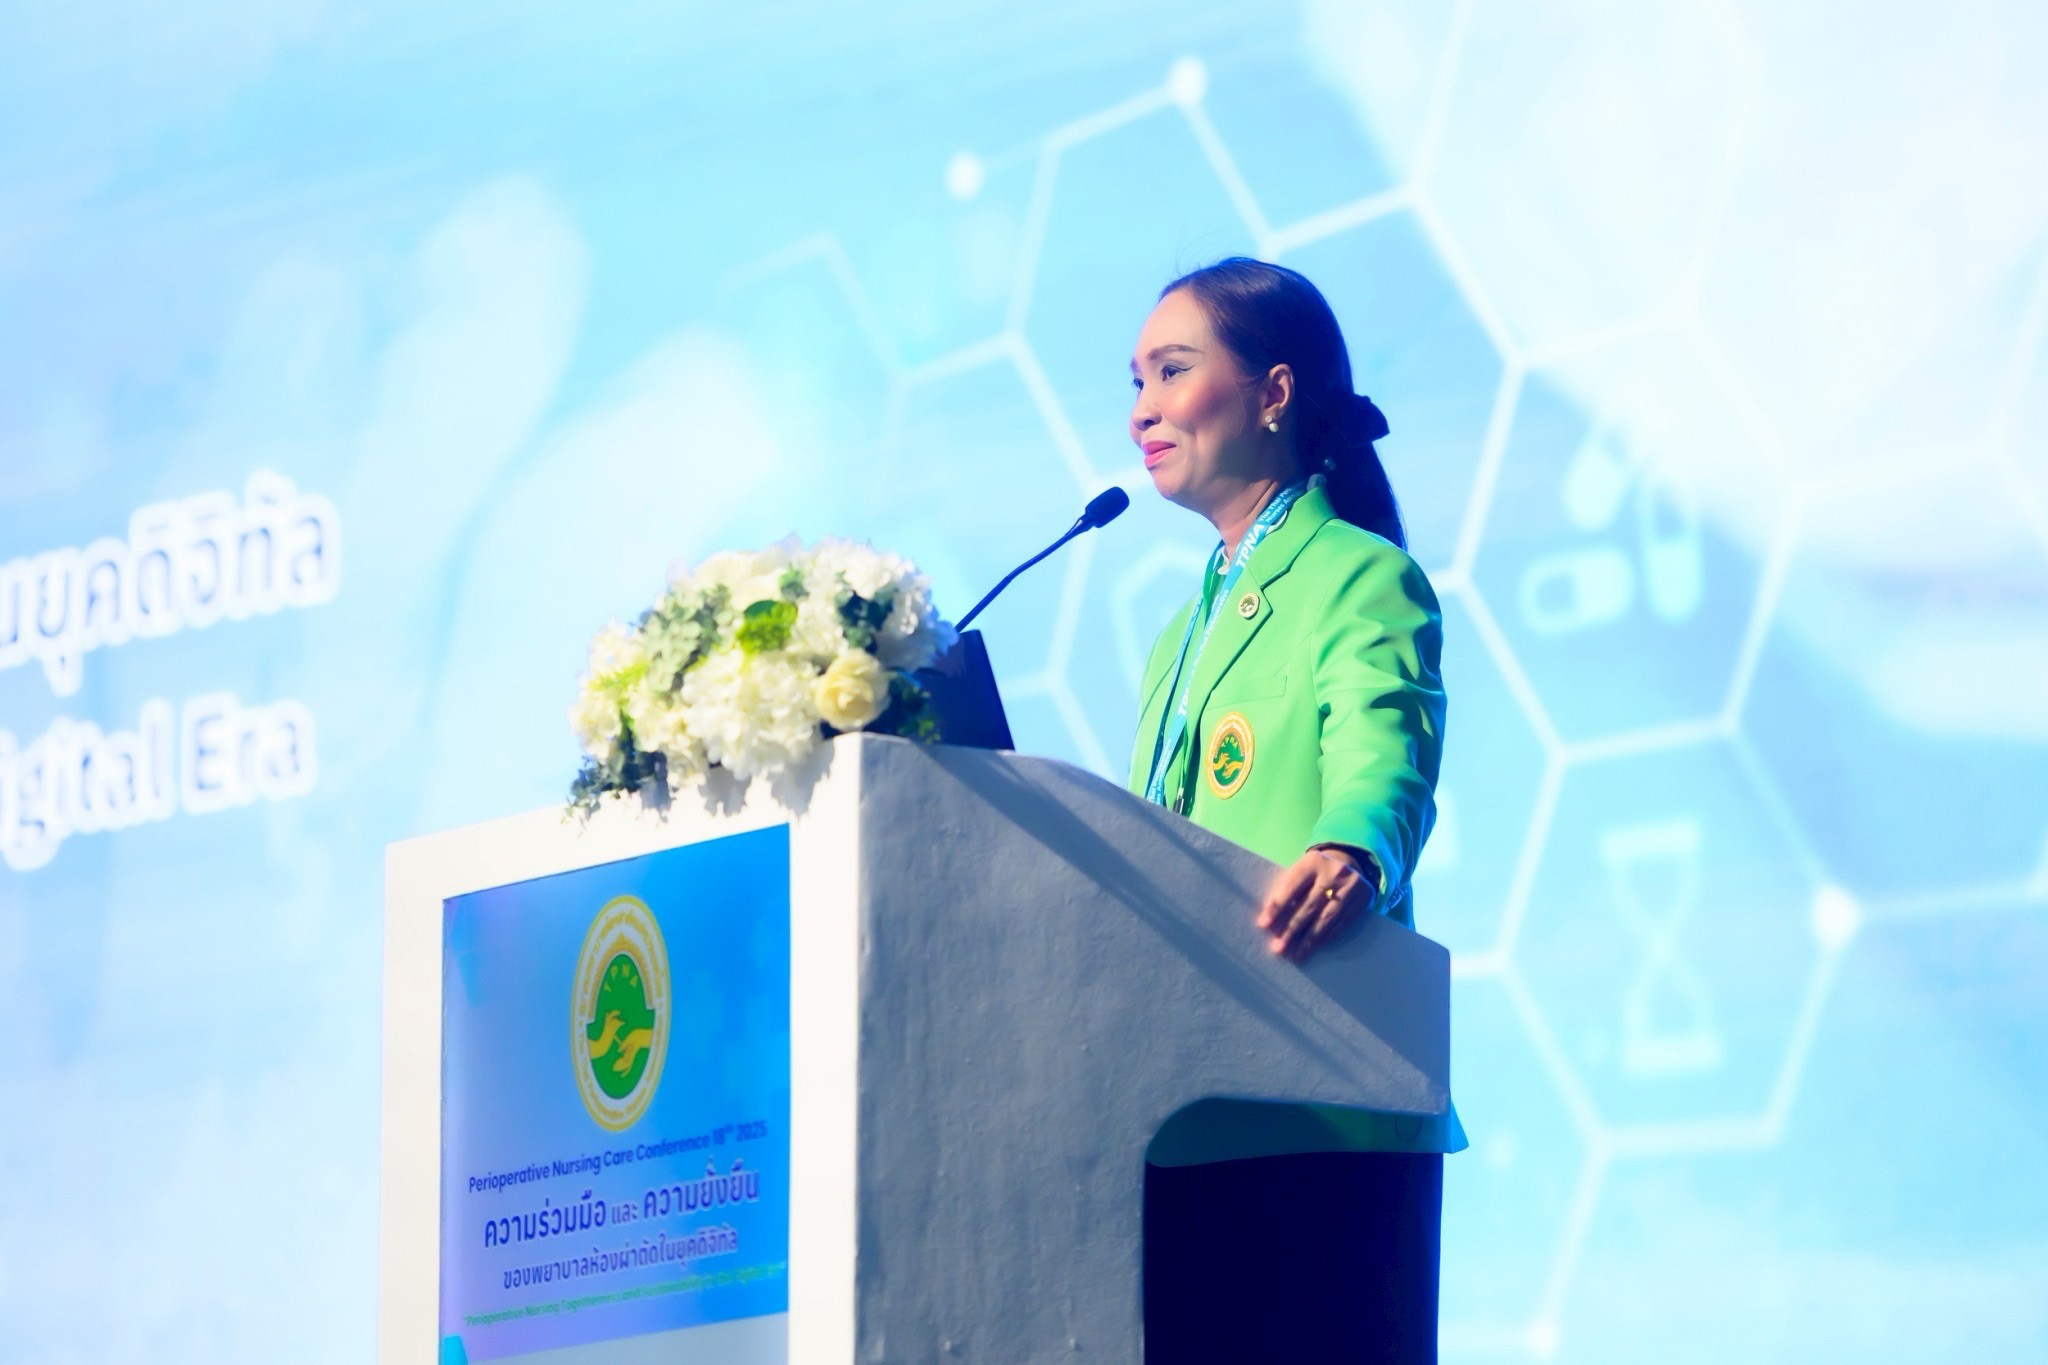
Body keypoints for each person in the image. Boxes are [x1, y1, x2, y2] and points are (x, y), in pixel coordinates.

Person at [1126, 257, 1459, 1364]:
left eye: (1173, 371)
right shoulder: (1175, 640)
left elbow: (1384, 752)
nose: (1143, 409)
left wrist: (1352, 849)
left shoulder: (1360, 576)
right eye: (1136, 381)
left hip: (1321, 1097)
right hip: (1174, 1110)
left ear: (1274, 393)